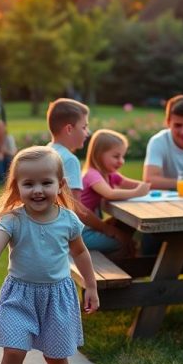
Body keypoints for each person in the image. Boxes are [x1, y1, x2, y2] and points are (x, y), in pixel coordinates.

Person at [0, 145, 99, 364]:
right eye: (28, 183)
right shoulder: (13, 219)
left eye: (46, 182)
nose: (38, 190)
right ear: (16, 186)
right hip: (19, 296)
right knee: (13, 351)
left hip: (57, 296)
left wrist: (91, 286)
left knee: (57, 356)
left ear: (60, 185)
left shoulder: (68, 220)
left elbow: (81, 254)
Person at [47, 98, 126, 257]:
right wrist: (106, 229)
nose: (87, 133)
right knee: (123, 242)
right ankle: (105, 280)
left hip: (49, 233)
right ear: (69, 129)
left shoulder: (48, 151)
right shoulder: (69, 160)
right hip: (69, 237)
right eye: (84, 127)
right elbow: (76, 208)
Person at [81, 129, 150, 255]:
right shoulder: (92, 175)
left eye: (122, 156)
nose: (121, 161)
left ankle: (127, 269)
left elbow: (129, 183)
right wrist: (137, 192)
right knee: (124, 242)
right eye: (116, 156)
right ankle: (117, 270)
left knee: (126, 237)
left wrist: (148, 186)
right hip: (81, 233)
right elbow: (109, 194)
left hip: (92, 227)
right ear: (99, 155)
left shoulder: (110, 174)